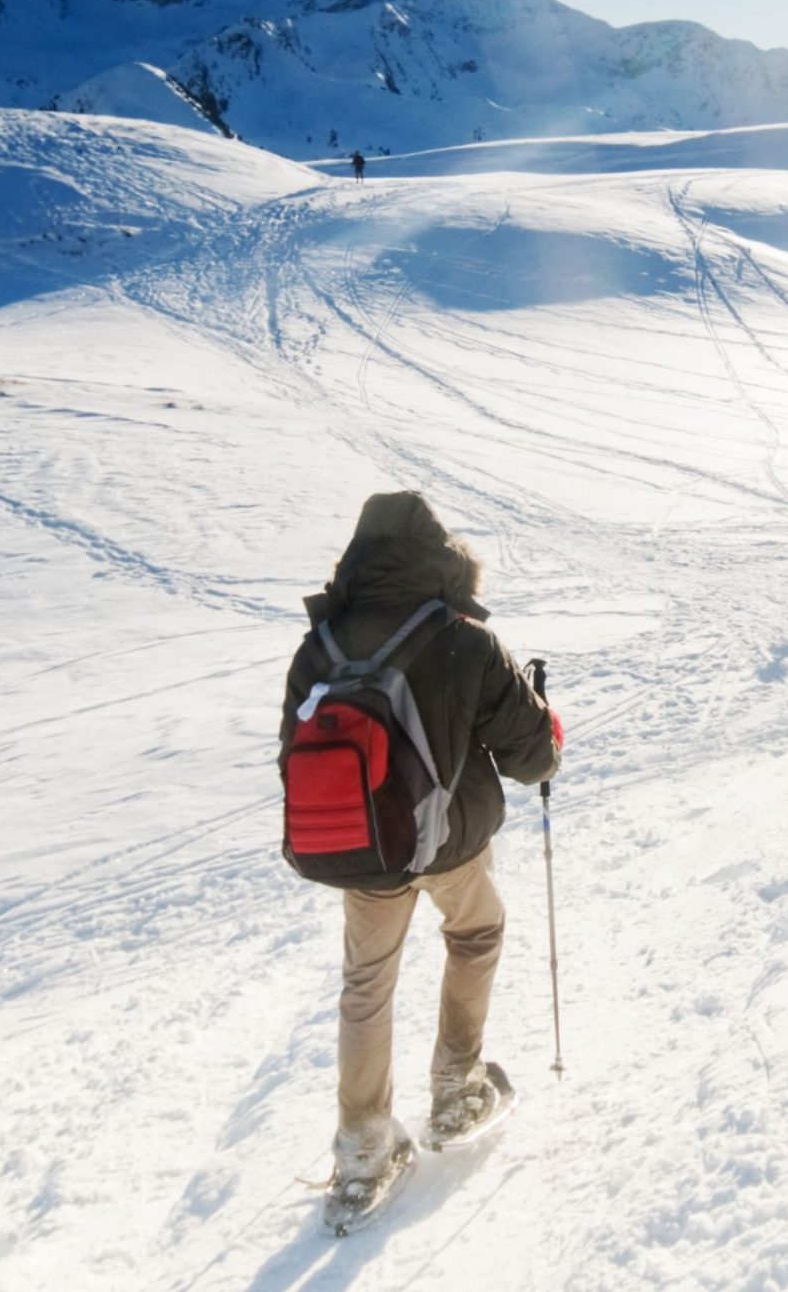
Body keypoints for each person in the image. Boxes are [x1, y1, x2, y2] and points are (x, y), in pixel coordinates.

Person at [283, 491, 561, 1205]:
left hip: (364, 850)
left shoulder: (321, 645)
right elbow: (532, 756)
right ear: (441, 555)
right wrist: (549, 730)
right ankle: (456, 1086)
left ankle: (363, 1144)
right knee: (475, 932)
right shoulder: (462, 635)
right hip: (449, 844)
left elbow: (291, 754)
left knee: (366, 984)